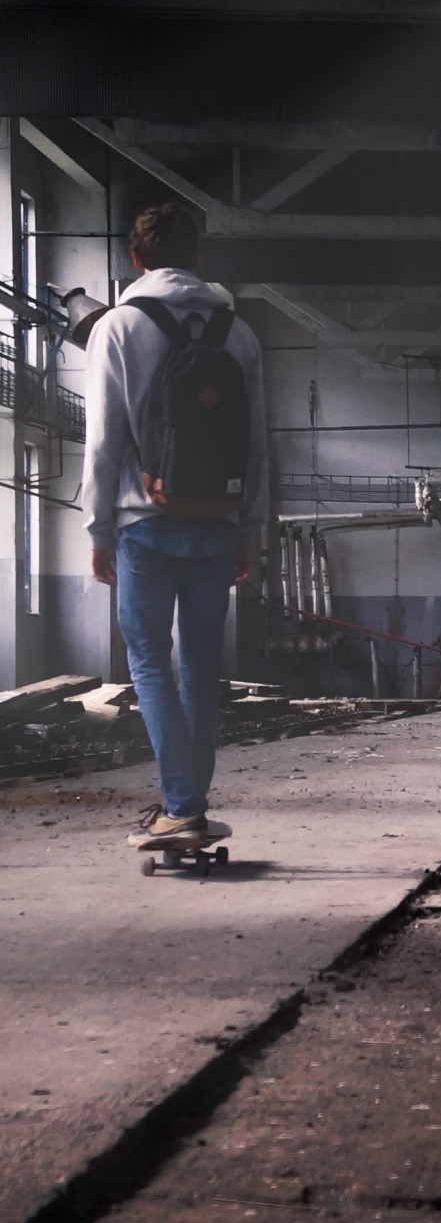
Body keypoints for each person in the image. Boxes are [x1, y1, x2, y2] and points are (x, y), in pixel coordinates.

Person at [81, 202, 268, 848]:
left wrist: (98, 529)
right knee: (202, 666)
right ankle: (192, 805)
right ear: (196, 256)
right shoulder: (237, 334)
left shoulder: (120, 325)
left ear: (136, 258)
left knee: (151, 665)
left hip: (144, 524)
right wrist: (250, 531)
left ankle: (182, 808)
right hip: (218, 524)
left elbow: (103, 439)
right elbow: (257, 445)